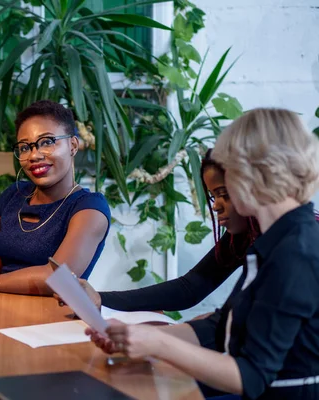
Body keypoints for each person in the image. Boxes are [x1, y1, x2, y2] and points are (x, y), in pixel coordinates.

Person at [87, 108, 319, 399]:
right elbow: (222, 324)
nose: (220, 198)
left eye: (229, 173)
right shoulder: (274, 241)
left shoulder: (296, 253)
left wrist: (157, 345)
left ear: (257, 171)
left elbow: (252, 376)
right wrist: (143, 337)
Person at [0, 100, 111, 295]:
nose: (34, 155)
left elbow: (58, 280)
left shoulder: (89, 208)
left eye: (47, 142)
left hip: (54, 318)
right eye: (24, 147)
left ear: (72, 145)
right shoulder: (13, 195)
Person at [68, 149, 260, 321]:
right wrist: (100, 298)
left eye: (224, 194)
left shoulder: (279, 246)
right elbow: (191, 288)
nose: (216, 206)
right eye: (213, 196)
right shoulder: (244, 235)